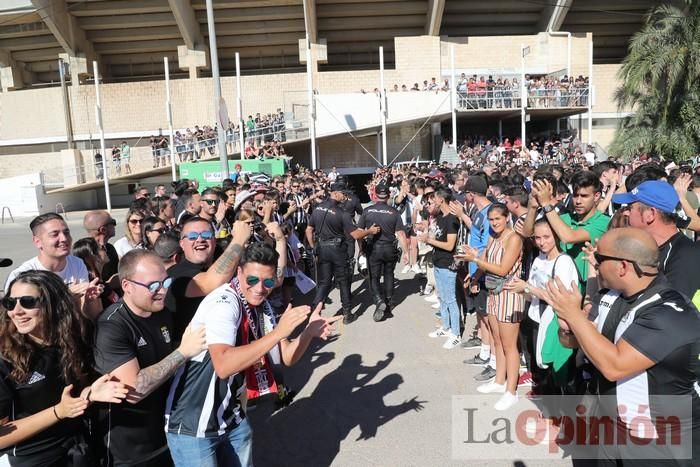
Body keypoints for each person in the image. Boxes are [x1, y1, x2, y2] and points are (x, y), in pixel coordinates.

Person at [164, 242, 340, 467]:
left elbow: (285, 356)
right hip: (194, 422)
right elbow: (224, 365)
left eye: (267, 282)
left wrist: (307, 334)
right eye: (252, 280)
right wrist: (278, 333)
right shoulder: (224, 303)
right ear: (239, 273)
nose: (259, 288)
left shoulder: (263, 306)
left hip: (231, 415)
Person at [548, 228, 700, 466]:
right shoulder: (611, 296)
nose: (594, 264)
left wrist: (574, 317)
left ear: (623, 267)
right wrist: (569, 327)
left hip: (659, 441)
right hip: (612, 429)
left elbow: (614, 366)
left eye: (599, 258)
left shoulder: (669, 311)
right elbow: (576, 342)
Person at [0, 270, 128, 466]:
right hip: (31, 459)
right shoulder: (4, 357)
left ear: (53, 303)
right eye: (10, 302)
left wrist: (90, 394)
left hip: (78, 451)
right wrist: (58, 412)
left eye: (27, 302)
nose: (16, 311)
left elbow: (75, 397)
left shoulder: (72, 339)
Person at [94, 250, 207, 467]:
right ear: (127, 286)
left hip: (166, 432)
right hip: (130, 448)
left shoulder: (161, 312)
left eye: (166, 282)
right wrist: (183, 352)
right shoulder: (112, 326)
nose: (163, 291)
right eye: (153, 286)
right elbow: (133, 389)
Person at [504, 218, 579, 397]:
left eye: (547, 237)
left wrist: (528, 287)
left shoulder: (563, 262)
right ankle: (546, 409)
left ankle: (554, 417)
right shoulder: (538, 259)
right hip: (536, 318)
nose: (542, 242)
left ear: (556, 236)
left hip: (553, 323)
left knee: (554, 369)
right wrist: (521, 289)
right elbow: (531, 291)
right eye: (537, 238)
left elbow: (559, 299)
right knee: (540, 368)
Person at [460, 203, 524, 410]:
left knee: (509, 346)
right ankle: (499, 381)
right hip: (494, 293)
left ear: (507, 217)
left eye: (498, 218)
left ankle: (511, 391)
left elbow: (503, 269)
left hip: (509, 294)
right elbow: (486, 260)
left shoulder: (513, 239)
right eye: (492, 219)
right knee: (497, 339)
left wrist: (476, 259)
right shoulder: (494, 236)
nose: (495, 222)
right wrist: (476, 266)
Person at [165, 217, 252, 341]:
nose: (200, 239)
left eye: (206, 235)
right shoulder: (176, 273)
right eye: (192, 236)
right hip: (197, 356)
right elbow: (209, 284)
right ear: (182, 244)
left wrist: (279, 240)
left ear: (214, 241)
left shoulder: (224, 266)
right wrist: (239, 239)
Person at [613, 180, 700, 302]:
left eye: (630, 207)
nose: (625, 213)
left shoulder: (685, 255)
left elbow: (671, 311)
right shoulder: (642, 249)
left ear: (650, 214)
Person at [306, 183, 379, 324]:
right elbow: (356, 234)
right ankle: (347, 313)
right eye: (343, 194)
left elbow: (309, 230)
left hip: (322, 248)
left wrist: (313, 246)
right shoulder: (342, 213)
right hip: (338, 250)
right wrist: (370, 231)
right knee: (343, 281)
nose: (345, 197)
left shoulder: (317, 209)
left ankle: (315, 312)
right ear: (335, 193)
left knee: (324, 282)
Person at [358, 184, 409, 322]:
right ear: (388, 196)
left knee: (373, 277)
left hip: (373, 248)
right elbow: (401, 233)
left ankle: (379, 300)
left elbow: (360, 233)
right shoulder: (394, 212)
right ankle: (389, 301)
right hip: (389, 248)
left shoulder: (367, 211)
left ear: (375, 195)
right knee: (388, 274)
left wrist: (361, 248)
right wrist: (406, 252)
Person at [419, 188, 461, 349]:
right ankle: (445, 327)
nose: (432, 202)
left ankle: (456, 333)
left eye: (434, 199)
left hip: (447, 264)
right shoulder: (441, 218)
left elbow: (450, 245)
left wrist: (429, 240)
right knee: (442, 298)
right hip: (438, 262)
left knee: (450, 299)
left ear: (441, 200)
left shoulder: (451, 220)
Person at [83, 210, 120, 287]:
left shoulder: (110, 248)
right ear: (103, 229)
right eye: (113, 222)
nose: (115, 225)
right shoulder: (84, 253)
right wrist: (108, 284)